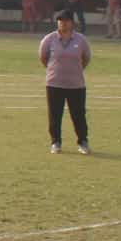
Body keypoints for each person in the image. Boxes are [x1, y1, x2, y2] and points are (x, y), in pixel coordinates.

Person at [40, 8, 92, 155]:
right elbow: (43, 58)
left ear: (72, 23)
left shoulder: (81, 40)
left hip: (76, 84)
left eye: (65, 20)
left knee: (78, 114)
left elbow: (86, 58)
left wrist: (75, 70)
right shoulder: (49, 39)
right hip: (54, 83)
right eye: (60, 20)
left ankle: (83, 141)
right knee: (55, 114)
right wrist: (53, 70)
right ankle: (55, 142)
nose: (62, 23)